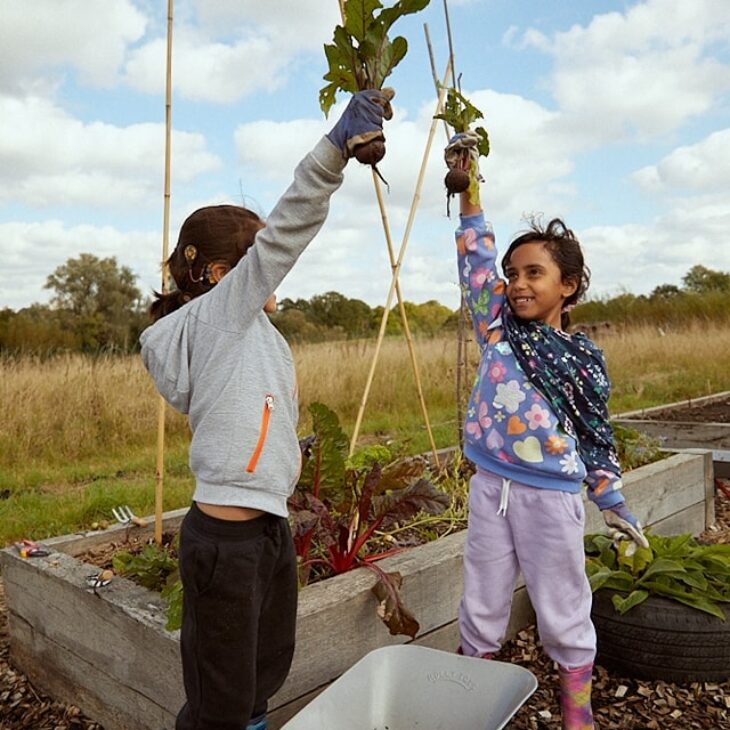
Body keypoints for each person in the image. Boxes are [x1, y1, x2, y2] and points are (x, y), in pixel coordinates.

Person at [139, 89, 391, 730]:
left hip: (264, 528)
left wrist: (284, 449)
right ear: (224, 275)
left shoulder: (250, 335)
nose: (274, 277)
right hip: (225, 539)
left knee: (262, 671)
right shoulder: (221, 317)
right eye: (259, 266)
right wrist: (334, 150)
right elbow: (289, 229)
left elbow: (248, 406)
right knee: (219, 697)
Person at [445, 132, 649, 730]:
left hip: (553, 496)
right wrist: (469, 192)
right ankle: (464, 695)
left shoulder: (583, 360)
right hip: (491, 490)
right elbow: (474, 263)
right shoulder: (497, 330)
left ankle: (576, 707)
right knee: (480, 602)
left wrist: (611, 500)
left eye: (535, 272)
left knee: (562, 606)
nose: (518, 283)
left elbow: (593, 433)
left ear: (570, 285)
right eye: (513, 274)